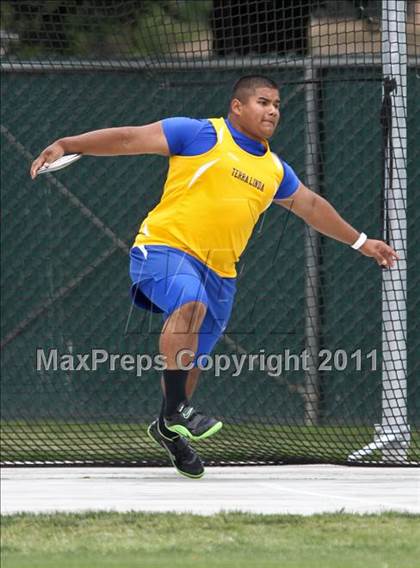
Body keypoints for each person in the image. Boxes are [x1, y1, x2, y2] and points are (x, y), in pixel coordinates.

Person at [30, 75, 398, 479]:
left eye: (277, 103)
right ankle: (176, 412)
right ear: (237, 107)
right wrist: (68, 143)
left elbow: (311, 206)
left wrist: (361, 241)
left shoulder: (274, 169)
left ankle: (168, 427)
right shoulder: (200, 133)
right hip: (164, 248)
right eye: (262, 101)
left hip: (222, 274)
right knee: (190, 304)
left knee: (190, 364)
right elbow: (129, 139)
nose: (273, 110)